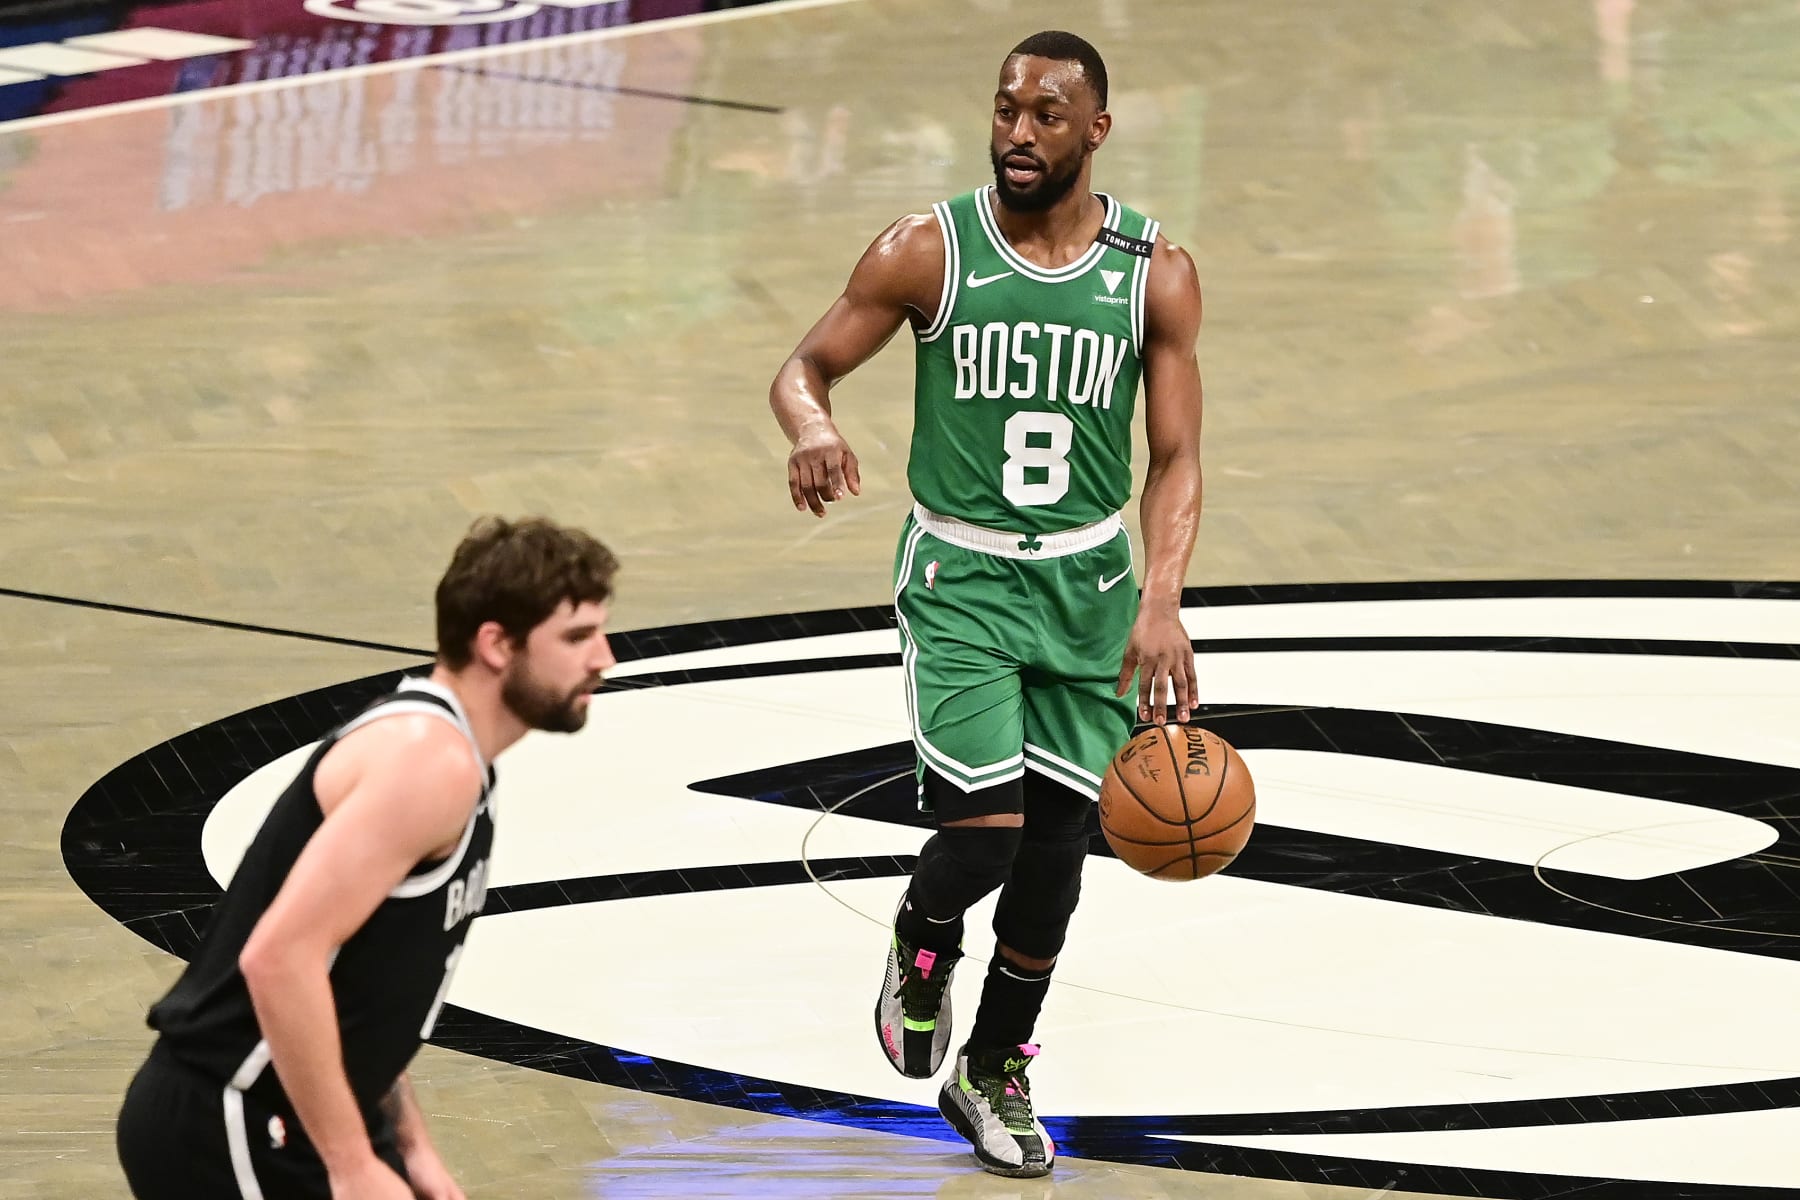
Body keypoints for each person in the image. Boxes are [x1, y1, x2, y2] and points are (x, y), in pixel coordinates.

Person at [768, 29, 1203, 1180]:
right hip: (962, 578)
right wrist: (814, 428)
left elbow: (1179, 460)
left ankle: (994, 1065)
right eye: (1007, 109)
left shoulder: (1153, 270)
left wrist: (1161, 598)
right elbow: (802, 368)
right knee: (986, 827)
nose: (1018, 131)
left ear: (1095, 132)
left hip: (1089, 586)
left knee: (1061, 841)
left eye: (1047, 115)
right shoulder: (928, 250)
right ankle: (923, 937)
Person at [115, 516, 620, 1200]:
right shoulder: (428, 763)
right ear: (497, 644)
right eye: (577, 637)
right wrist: (352, 1163)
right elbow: (279, 959)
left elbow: (367, 988)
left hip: (293, 1117)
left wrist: (408, 1147)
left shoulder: (455, 758)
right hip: (234, 1118)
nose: (604, 658)